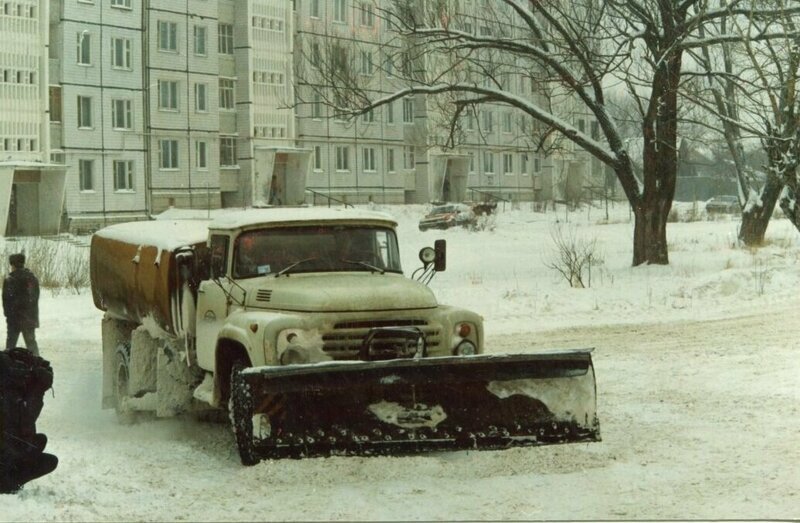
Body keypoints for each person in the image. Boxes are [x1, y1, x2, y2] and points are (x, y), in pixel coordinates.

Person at [2, 253, 40, 356]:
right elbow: (34, 298)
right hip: (29, 319)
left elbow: (6, 301)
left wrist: (8, 316)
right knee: (31, 345)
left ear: (13, 265)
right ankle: (37, 367)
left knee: (10, 347)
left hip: (14, 319)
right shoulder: (32, 278)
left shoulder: (10, 280)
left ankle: (7, 369)